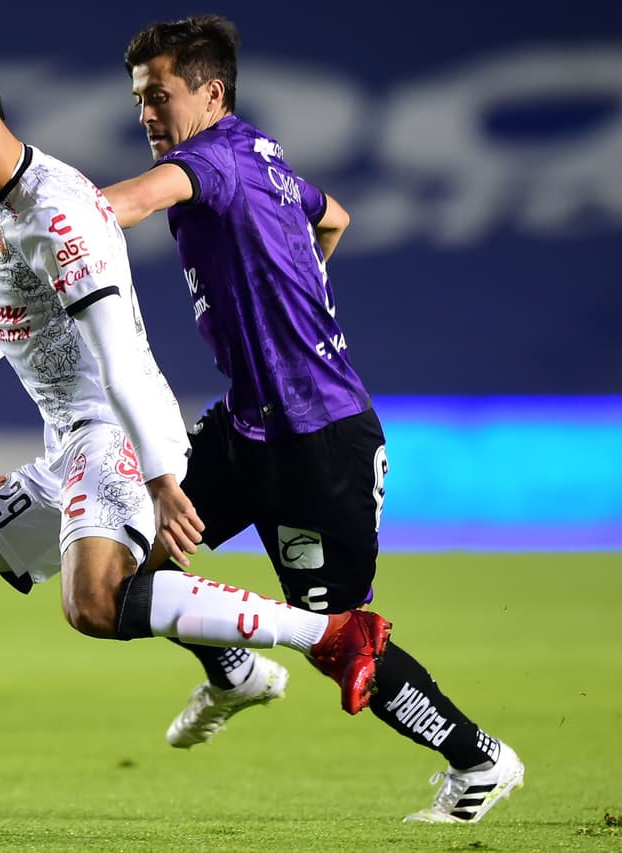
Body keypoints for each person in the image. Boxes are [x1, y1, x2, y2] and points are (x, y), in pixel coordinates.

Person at [0, 45, 391, 833]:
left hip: (115, 438)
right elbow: (28, 305)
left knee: (92, 601)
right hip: (71, 446)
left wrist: (158, 476)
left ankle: (329, 633)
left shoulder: (60, 208)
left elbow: (117, 351)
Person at [99, 15, 525, 824]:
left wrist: (39, 205)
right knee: (128, 549)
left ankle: (479, 760)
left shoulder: (212, 159)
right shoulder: (263, 156)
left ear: (210, 92)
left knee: (342, 639)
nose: (146, 116)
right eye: (138, 101)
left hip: (321, 443)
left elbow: (121, 205)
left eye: (159, 97)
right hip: (248, 428)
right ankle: (233, 668)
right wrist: (289, 291)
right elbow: (336, 218)